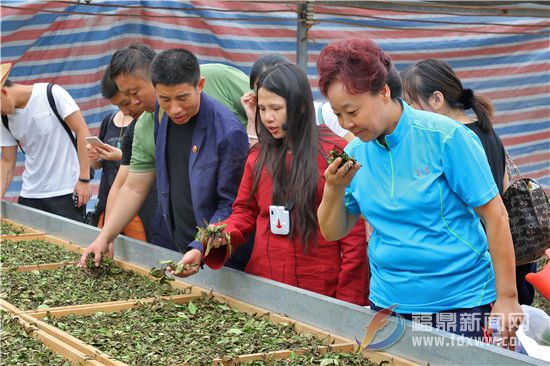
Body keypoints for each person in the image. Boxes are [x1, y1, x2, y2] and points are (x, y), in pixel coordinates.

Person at [316, 39, 522, 346]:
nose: (346, 123)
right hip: (389, 305)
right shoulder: (356, 152)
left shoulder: (445, 137)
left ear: (383, 92)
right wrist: (333, 189)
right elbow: (333, 231)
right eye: (338, 114)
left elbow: (496, 217)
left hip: (459, 303)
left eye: (352, 111)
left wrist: (507, 297)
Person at [187, 63, 369, 306]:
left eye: (276, 108)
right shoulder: (258, 155)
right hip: (265, 282)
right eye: (262, 109)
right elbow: (244, 211)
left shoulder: (334, 153)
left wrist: (349, 301)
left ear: (301, 106)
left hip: (319, 286)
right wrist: (221, 235)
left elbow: (353, 235)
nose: (268, 117)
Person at [80, 47, 249, 273]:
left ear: (200, 85)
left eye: (182, 98)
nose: (175, 108)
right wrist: (104, 238)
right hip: (179, 242)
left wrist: (201, 247)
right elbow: (134, 187)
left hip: (221, 255)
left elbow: (231, 204)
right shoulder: (157, 116)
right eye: (165, 99)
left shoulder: (228, 131)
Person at [400, 58, 536, 306]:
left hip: (476, 268)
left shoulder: (455, 140)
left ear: (437, 100)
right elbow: (503, 190)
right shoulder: (486, 132)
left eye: (410, 104)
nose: (406, 114)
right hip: (498, 260)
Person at [1, 62, 91, 221]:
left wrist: (84, 179)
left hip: (65, 191)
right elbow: (8, 161)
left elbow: (82, 131)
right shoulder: (4, 118)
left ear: (4, 92)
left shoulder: (51, 94)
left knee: (71, 243)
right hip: (30, 194)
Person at [86, 68, 157, 242]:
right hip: (110, 198)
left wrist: (120, 156)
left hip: (142, 204)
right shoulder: (109, 120)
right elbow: (102, 168)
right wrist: (95, 157)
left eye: (126, 102)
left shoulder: (146, 122)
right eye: (118, 105)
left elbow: (143, 170)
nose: (125, 110)